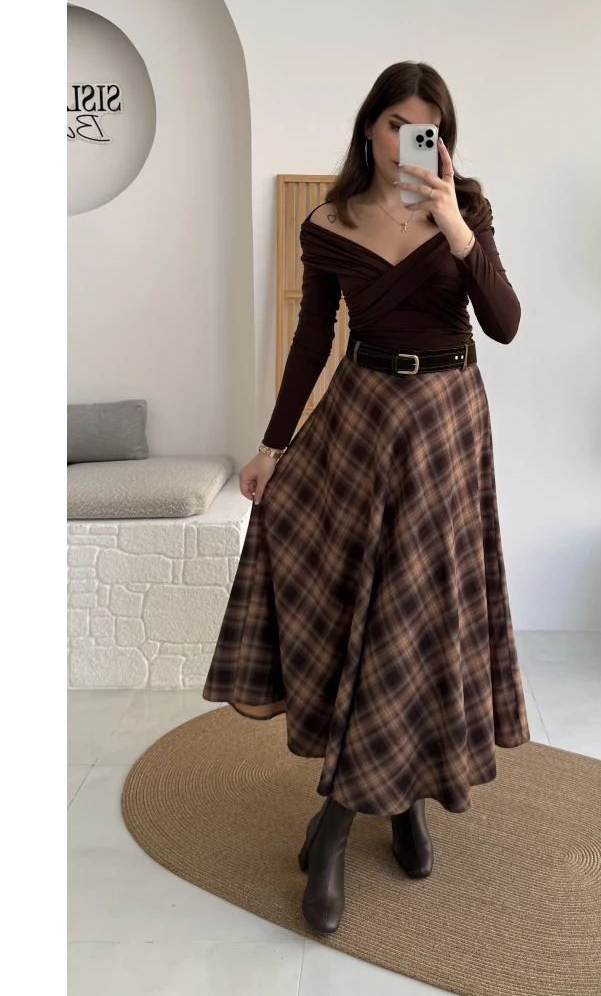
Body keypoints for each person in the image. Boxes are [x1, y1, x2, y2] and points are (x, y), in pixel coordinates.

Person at [202, 60, 530, 935]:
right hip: (362, 420)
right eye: (396, 123)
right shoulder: (329, 222)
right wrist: (273, 445)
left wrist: (454, 224)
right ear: (368, 128)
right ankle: (376, 810)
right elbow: (313, 338)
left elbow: (503, 323)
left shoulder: (469, 210)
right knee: (368, 613)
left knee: (416, 617)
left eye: (429, 128)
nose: (409, 141)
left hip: (447, 427)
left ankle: (357, 817)